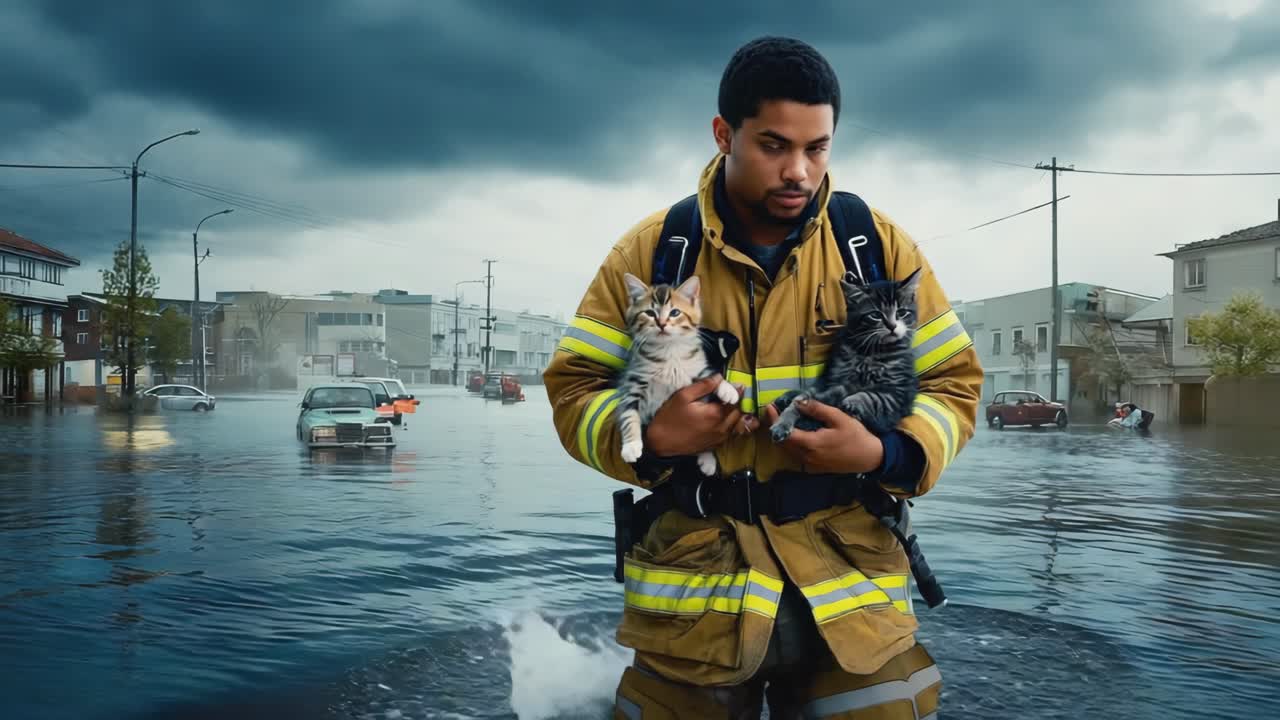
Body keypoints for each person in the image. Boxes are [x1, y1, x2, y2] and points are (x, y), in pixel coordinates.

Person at [543, 36, 983, 719]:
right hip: (692, 601)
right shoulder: (653, 252)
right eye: (775, 145)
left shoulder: (875, 246)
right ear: (724, 134)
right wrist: (656, 437)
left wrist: (886, 453)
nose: (799, 172)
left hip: (855, 596)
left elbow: (954, 382)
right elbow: (573, 387)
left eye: (818, 148)